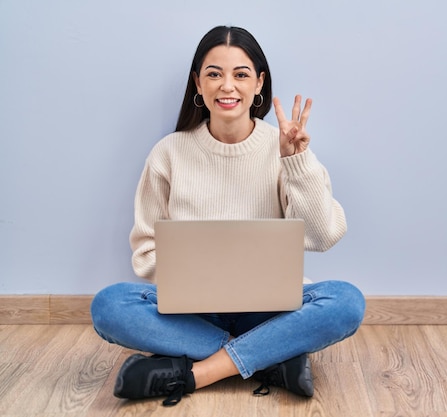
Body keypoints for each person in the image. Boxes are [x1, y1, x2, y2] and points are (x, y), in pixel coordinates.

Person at [90, 25, 365, 407]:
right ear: (198, 84)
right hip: (194, 313)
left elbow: (322, 236)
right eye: (214, 74)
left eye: (241, 74)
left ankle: (195, 373)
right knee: (108, 306)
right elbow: (145, 252)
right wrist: (195, 278)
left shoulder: (282, 148)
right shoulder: (168, 153)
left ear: (259, 84)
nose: (227, 86)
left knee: (347, 301)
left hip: (269, 311)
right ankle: (269, 360)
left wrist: (296, 161)